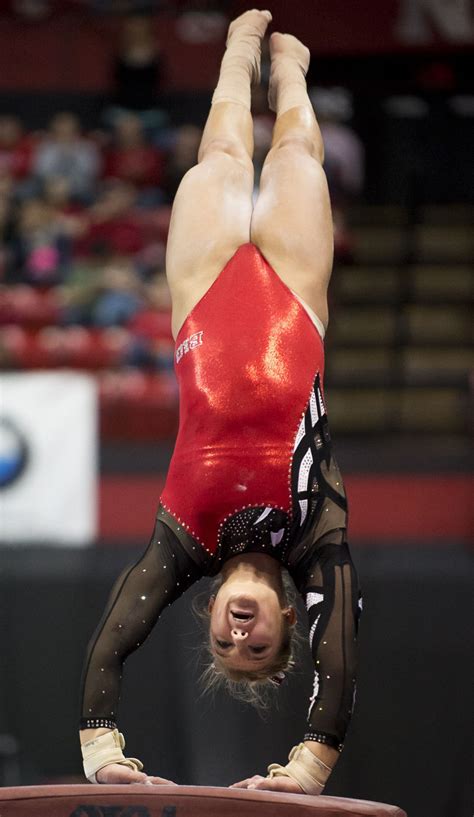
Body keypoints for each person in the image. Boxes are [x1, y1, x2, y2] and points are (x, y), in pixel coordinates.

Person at [79, 10, 362, 796]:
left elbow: (111, 644)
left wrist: (101, 751)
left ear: (205, 621)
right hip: (296, 298)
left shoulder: (182, 543)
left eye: (227, 645)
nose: (240, 635)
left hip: (202, 298)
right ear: (283, 627)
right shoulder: (316, 536)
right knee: (299, 149)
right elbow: (339, 652)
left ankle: (238, 52)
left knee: (224, 151)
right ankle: (294, 66)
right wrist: (309, 764)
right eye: (261, 645)